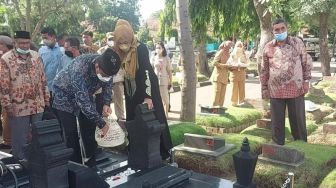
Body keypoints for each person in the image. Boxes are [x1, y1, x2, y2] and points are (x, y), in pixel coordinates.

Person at [112, 19, 173, 159]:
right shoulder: (118, 49)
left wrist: (148, 96)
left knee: (153, 117)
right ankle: (136, 147)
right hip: (130, 89)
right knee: (133, 116)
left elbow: (146, 72)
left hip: (146, 87)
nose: (123, 45)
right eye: (120, 42)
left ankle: (161, 151)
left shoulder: (140, 48)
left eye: (125, 42)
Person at [52, 48, 120, 167]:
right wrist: (102, 124)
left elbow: (108, 84)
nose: (107, 77)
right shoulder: (80, 67)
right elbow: (83, 102)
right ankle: (75, 166)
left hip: (85, 93)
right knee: (70, 133)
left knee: (89, 128)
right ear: (97, 66)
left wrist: (106, 103)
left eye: (110, 75)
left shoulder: (107, 67)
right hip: (64, 94)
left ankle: (90, 161)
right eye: (105, 75)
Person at [260, 18, 312, 145]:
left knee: (298, 123)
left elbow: (306, 62)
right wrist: (264, 89)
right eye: (277, 29)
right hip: (275, 91)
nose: (280, 31)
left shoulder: (297, 43)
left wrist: (306, 81)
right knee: (277, 124)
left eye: (282, 28)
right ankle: (278, 149)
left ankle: (301, 147)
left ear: (287, 28)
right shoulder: (268, 47)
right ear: (273, 32)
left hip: (296, 89)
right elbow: (264, 70)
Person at [0, 31, 50, 159]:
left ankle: (36, 164)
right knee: (19, 140)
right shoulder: (6, 59)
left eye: (27, 43)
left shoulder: (36, 56)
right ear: (15, 43)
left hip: (38, 105)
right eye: (21, 43)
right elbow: (3, 86)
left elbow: (43, 79)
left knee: (38, 137)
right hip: (18, 107)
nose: (24, 45)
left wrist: (46, 99)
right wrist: (7, 106)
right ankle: (20, 166)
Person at [98, 32, 126, 120]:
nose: (112, 41)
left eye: (113, 39)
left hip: (117, 80)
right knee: (105, 100)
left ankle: (121, 119)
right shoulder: (101, 51)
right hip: (105, 80)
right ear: (106, 40)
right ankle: (105, 120)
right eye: (110, 39)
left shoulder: (120, 50)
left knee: (119, 100)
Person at [39, 27, 64, 119]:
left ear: (53, 37)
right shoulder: (41, 51)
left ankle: (63, 133)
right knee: (51, 115)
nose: (44, 40)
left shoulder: (62, 50)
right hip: (47, 89)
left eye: (46, 37)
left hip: (61, 88)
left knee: (62, 114)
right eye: (43, 38)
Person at [0, 35, 14, 150]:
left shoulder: (8, 57)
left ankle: (9, 141)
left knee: (8, 117)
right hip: (4, 92)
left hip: (10, 93)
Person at [210, 41, 233, 107]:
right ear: (224, 46)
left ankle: (220, 108)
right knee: (217, 93)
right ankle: (214, 108)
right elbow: (214, 63)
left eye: (230, 47)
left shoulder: (229, 54)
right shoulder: (220, 52)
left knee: (223, 94)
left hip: (225, 77)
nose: (229, 48)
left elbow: (228, 65)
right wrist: (224, 65)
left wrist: (232, 68)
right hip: (218, 76)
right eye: (228, 47)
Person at [152, 42, 172, 117]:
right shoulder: (154, 57)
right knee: (156, 99)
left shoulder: (166, 58)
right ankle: (158, 114)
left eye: (159, 48)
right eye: (156, 48)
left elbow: (169, 71)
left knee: (165, 99)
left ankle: (166, 114)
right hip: (155, 81)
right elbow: (151, 69)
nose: (158, 49)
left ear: (163, 49)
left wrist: (171, 81)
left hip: (164, 81)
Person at [228, 41, 249, 106]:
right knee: (234, 88)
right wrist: (236, 65)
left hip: (242, 73)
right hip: (234, 73)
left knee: (242, 88)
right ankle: (234, 102)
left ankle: (242, 101)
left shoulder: (245, 54)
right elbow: (229, 63)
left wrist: (242, 64)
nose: (239, 47)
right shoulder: (232, 54)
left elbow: (248, 63)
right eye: (238, 46)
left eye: (240, 46)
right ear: (235, 46)